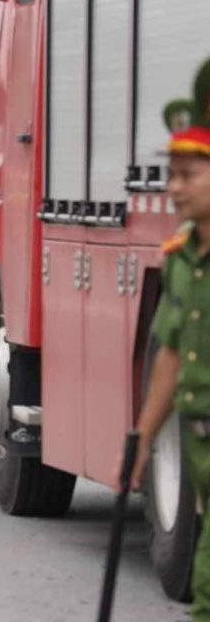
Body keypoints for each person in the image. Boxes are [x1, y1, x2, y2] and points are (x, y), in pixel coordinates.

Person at [132, 66, 210, 618]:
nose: (173, 188)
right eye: (171, 174)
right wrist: (145, 437)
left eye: (188, 175)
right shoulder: (181, 260)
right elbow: (166, 354)